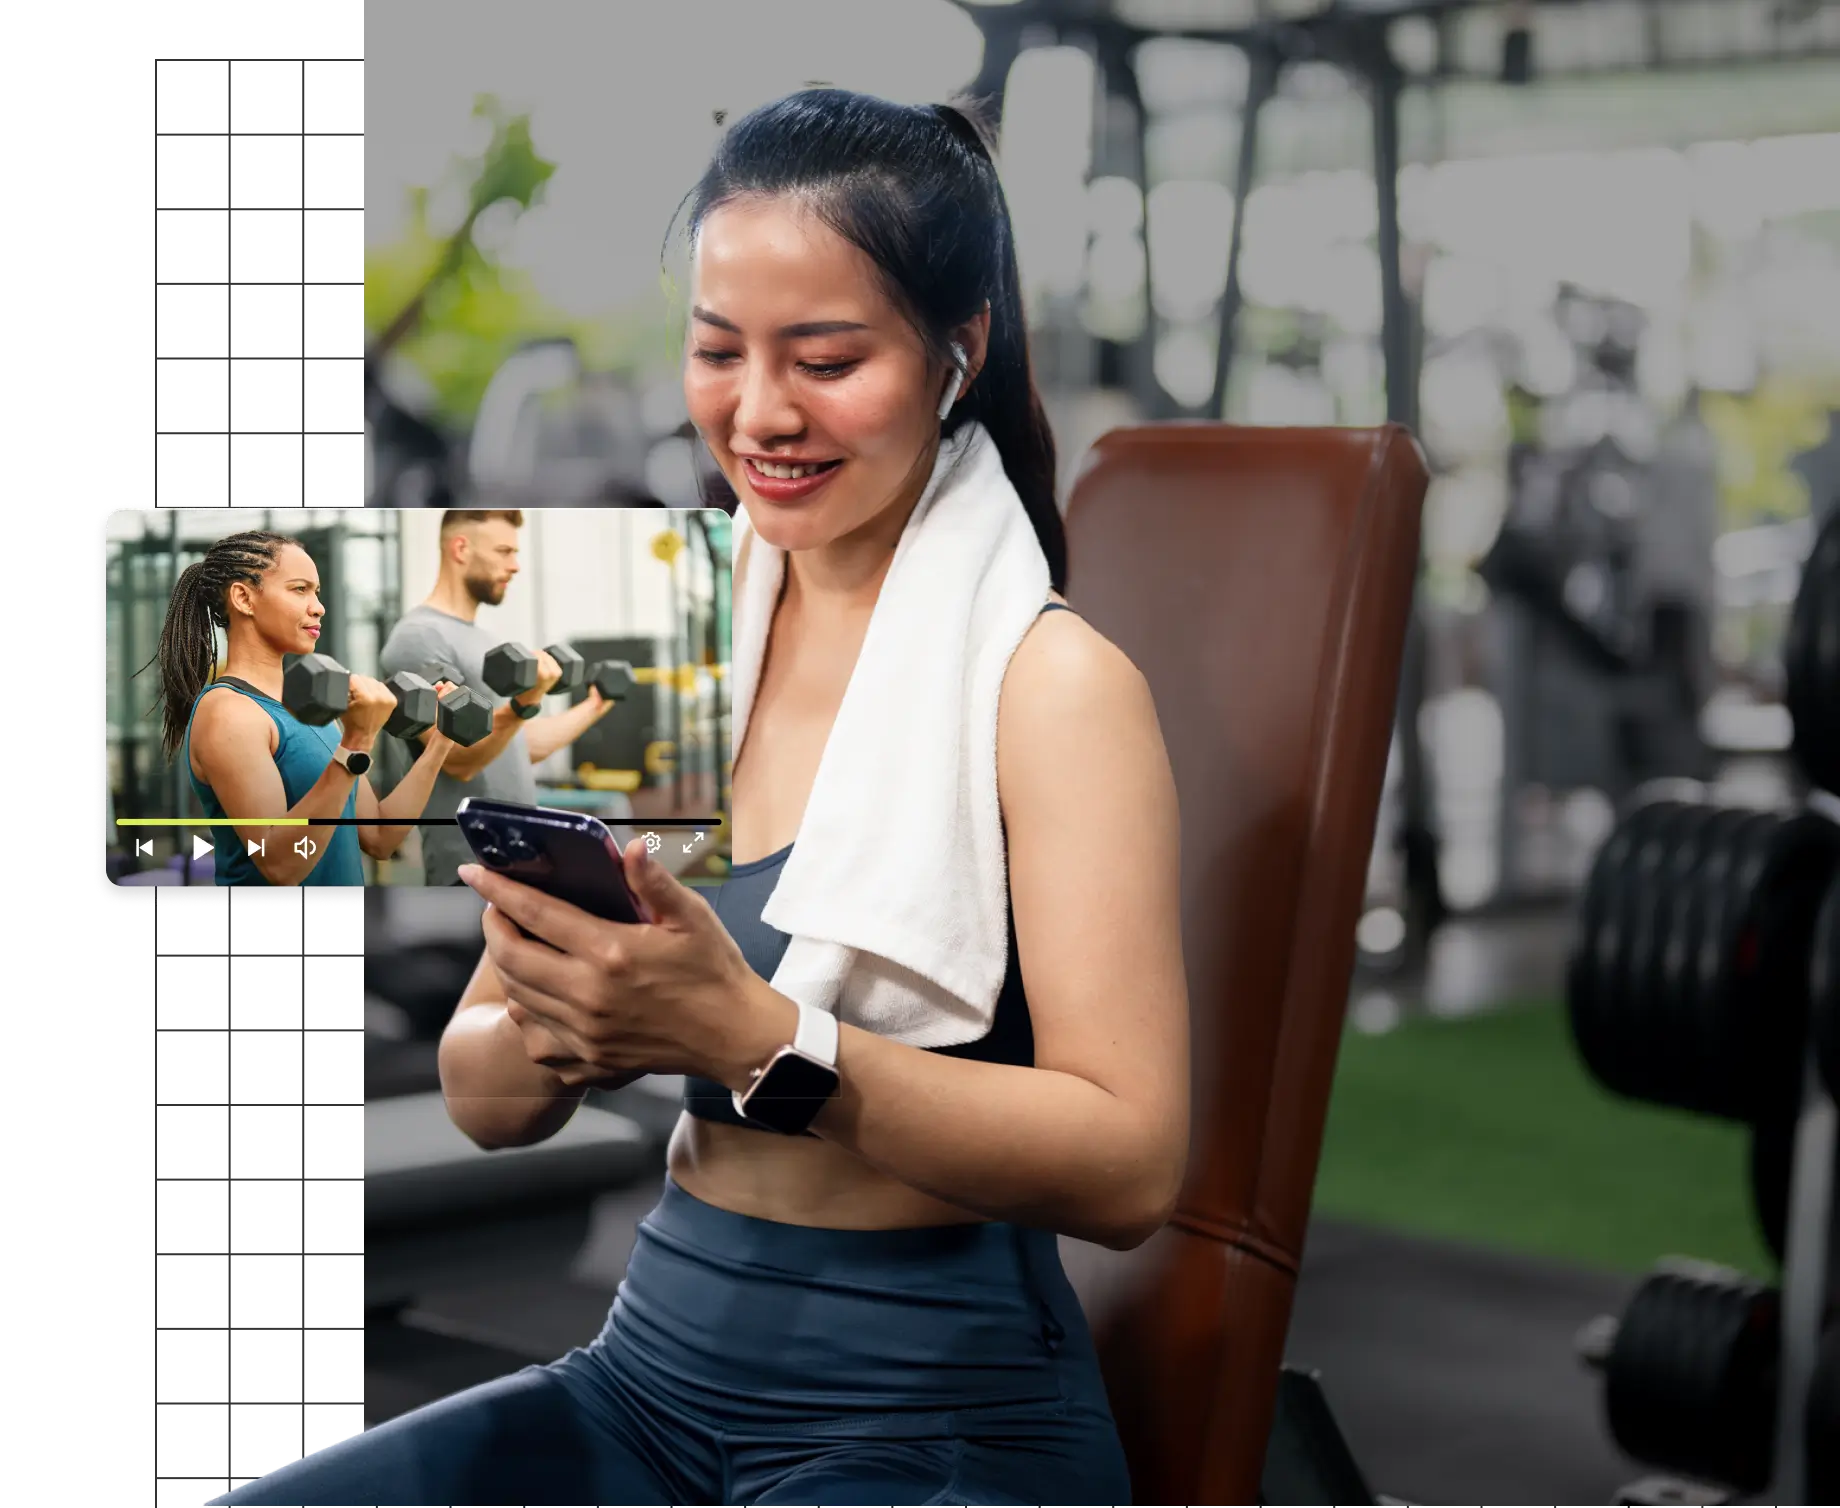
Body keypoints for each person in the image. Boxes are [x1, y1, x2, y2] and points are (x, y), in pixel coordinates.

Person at [213, 88, 1189, 1507]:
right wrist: (576, 1018)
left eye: (827, 359)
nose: (761, 412)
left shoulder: (1052, 690)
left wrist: (750, 1036)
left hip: (932, 1414)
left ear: (959, 350)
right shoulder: (658, 643)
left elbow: (1130, 1166)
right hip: (649, 1370)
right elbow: (485, 1093)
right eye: (719, 350)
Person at [151, 531, 458, 888]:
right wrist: (357, 741)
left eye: (317, 592)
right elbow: (281, 866)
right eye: (300, 589)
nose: (318, 607)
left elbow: (379, 836)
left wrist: (439, 744)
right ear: (244, 598)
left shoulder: (313, 712)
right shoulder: (228, 713)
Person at [376, 509, 617, 886]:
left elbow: (518, 745)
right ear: (461, 549)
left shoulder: (483, 639)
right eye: (504, 551)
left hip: (522, 857)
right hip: (471, 866)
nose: (515, 566)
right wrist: (522, 705)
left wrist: (595, 705)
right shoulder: (420, 637)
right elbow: (457, 759)